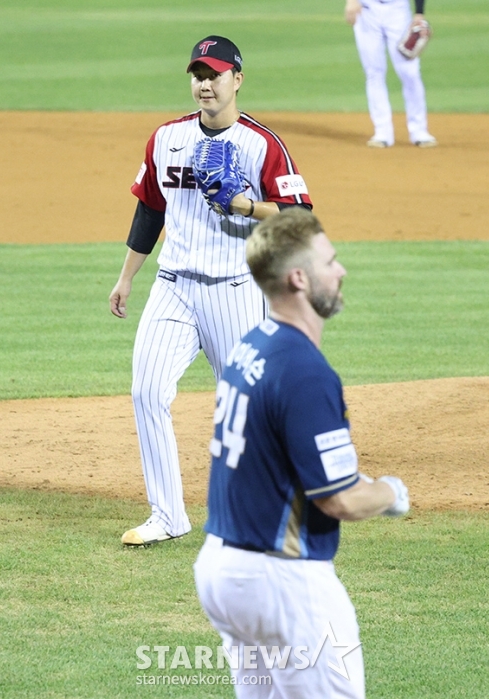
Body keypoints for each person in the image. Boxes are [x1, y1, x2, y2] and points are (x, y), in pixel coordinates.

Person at [194, 208, 410, 698]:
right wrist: (390, 492)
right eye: (330, 261)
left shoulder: (251, 345)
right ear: (298, 277)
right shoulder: (305, 371)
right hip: (282, 581)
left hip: (223, 571)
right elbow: (340, 501)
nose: (341, 271)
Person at [109, 36, 312, 546]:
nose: (205, 83)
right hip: (173, 287)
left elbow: (301, 216)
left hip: (235, 290)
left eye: (215, 74)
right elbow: (150, 209)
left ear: (237, 80)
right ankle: (167, 516)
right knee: (146, 392)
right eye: (198, 74)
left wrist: (245, 206)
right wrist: (127, 275)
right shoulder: (165, 138)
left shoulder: (262, 144)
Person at [345, 0, 437, 148]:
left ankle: (419, 131)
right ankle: (382, 133)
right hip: (366, 9)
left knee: (410, 72)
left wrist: (419, 12)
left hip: (398, 9)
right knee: (374, 72)